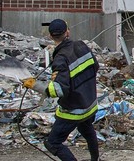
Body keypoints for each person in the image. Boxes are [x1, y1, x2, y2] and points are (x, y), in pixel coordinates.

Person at [22, 19, 100, 161]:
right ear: (67, 32)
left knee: (53, 143)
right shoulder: (82, 46)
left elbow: (57, 90)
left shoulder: (60, 58)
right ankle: (96, 159)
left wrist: (34, 85)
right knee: (87, 130)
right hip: (90, 104)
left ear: (50, 37)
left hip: (73, 111)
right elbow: (95, 67)